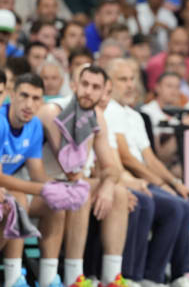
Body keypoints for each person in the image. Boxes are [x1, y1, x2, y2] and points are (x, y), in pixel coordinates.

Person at [104, 58, 189, 287]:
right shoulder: (108, 111)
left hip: (149, 179)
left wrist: (176, 184)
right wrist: (161, 184)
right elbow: (127, 158)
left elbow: (150, 158)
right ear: (109, 83)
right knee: (177, 207)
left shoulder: (135, 116)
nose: (130, 85)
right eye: (123, 79)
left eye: (132, 79)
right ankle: (152, 276)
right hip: (129, 180)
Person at [37, 66, 129, 287]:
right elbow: (69, 168)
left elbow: (111, 167)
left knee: (119, 193)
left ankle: (112, 278)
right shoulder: (53, 111)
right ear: (74, 85)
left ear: (104, 91)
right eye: (85, 84)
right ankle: (74, 278)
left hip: (71, 182)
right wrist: (100, 183)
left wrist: (107, 186)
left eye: (96, 87)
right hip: (41, 183)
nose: (89, 91)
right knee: (82, 191)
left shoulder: (96, 116)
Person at [0, 74, 75, 287]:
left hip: (9, 191)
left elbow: (38, 174)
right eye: (24, 96)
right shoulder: (1, 122)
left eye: (36, 99)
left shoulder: (33, 126)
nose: (29, 104)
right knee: (19, 200)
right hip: (5, 191)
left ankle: (48, 279)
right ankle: (14, 279)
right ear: (11, 95)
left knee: (55, 206)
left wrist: (59, 189)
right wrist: (41, 189)